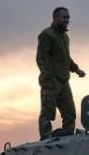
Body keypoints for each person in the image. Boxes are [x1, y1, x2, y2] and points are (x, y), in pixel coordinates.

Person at [36, 7, 85, 139]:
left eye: (68, 17)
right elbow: (41, 58)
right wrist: (49, 78)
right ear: (56, 18)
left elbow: (65, 57)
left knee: (70, 113)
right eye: (64, 17)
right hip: (50, 81)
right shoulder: (47, 35)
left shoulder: (65, 37)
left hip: (64, 81)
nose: (67, 20)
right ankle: (46, 139)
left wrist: (76, 69)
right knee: (48, 113)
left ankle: (66, 137)